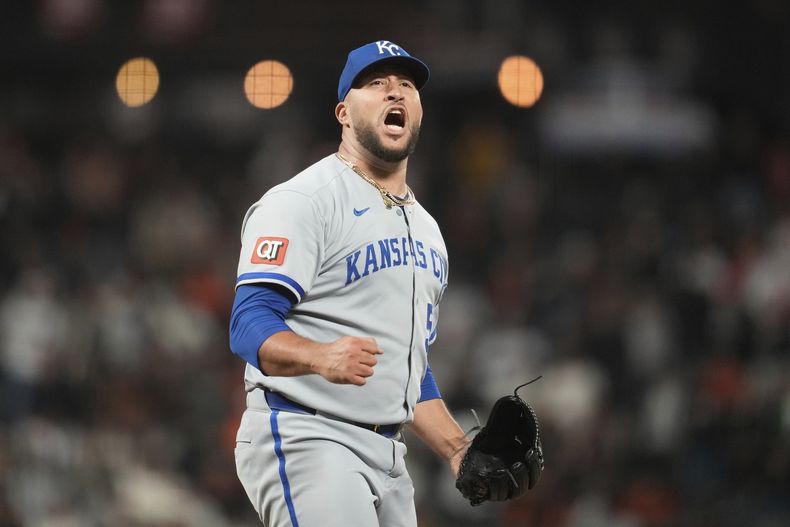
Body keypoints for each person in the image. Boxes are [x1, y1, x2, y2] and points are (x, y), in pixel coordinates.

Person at [230, 40, 469, 527]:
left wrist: (457, 446)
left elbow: (406, 365)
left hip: (388, 454)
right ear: (343, 112)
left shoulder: (427, 230)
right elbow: (249, 322)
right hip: (306, 434)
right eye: (376, 83)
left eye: (406, 85)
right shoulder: (303, 200)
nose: (394, 92)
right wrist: (319, 355)